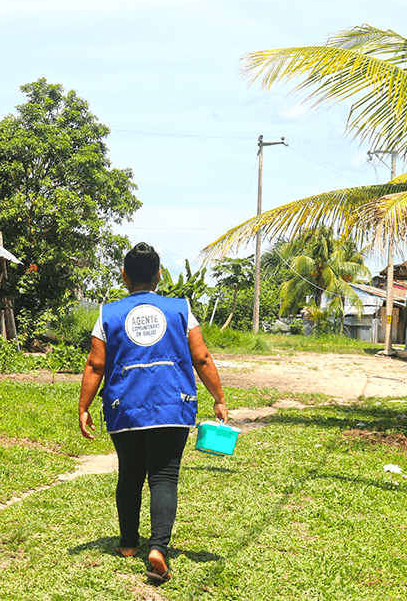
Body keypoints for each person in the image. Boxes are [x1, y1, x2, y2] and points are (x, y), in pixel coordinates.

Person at [78, 242, 227, 584]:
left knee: (130, 473)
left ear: (123, 276)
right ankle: (158, 548)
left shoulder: (108, 314)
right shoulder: (180, 309)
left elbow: (95, 363)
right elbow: (201, 357)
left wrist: (84, 406)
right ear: (160, 275)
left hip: (123, 407)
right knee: (164, 476)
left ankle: (129, 543)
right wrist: (218, 397)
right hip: (172, 406)